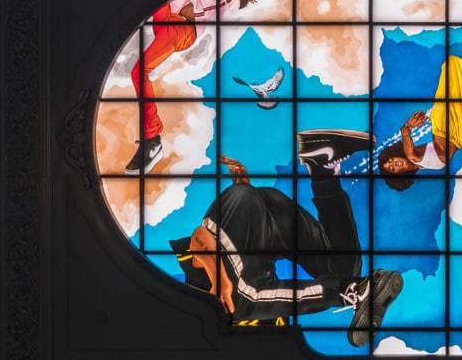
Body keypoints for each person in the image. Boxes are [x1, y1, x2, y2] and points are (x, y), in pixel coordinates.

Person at [172, 130, 403, 346]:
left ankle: (354, 288)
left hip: (233, 223)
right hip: (266, 224)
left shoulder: (206, 305)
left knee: (235, 302)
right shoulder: (268, 323)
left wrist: (219, 277)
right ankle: (322, 165)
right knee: (343, 267)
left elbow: (199, 239)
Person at [126, 0, 272, 172]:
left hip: (182, 30)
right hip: (168, 16)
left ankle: (152, 139)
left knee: (139, 72)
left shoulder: (226, 3)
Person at [377, 56, 462, 190]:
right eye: (393, 169)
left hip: (443, 126)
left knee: (453, 64)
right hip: (461, 138)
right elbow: (412, 154)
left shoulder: (413, 156)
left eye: (390, 161)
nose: (394, 163)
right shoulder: (418, 162)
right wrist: (406, 129)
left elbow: (410, 150)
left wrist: (406, 129)